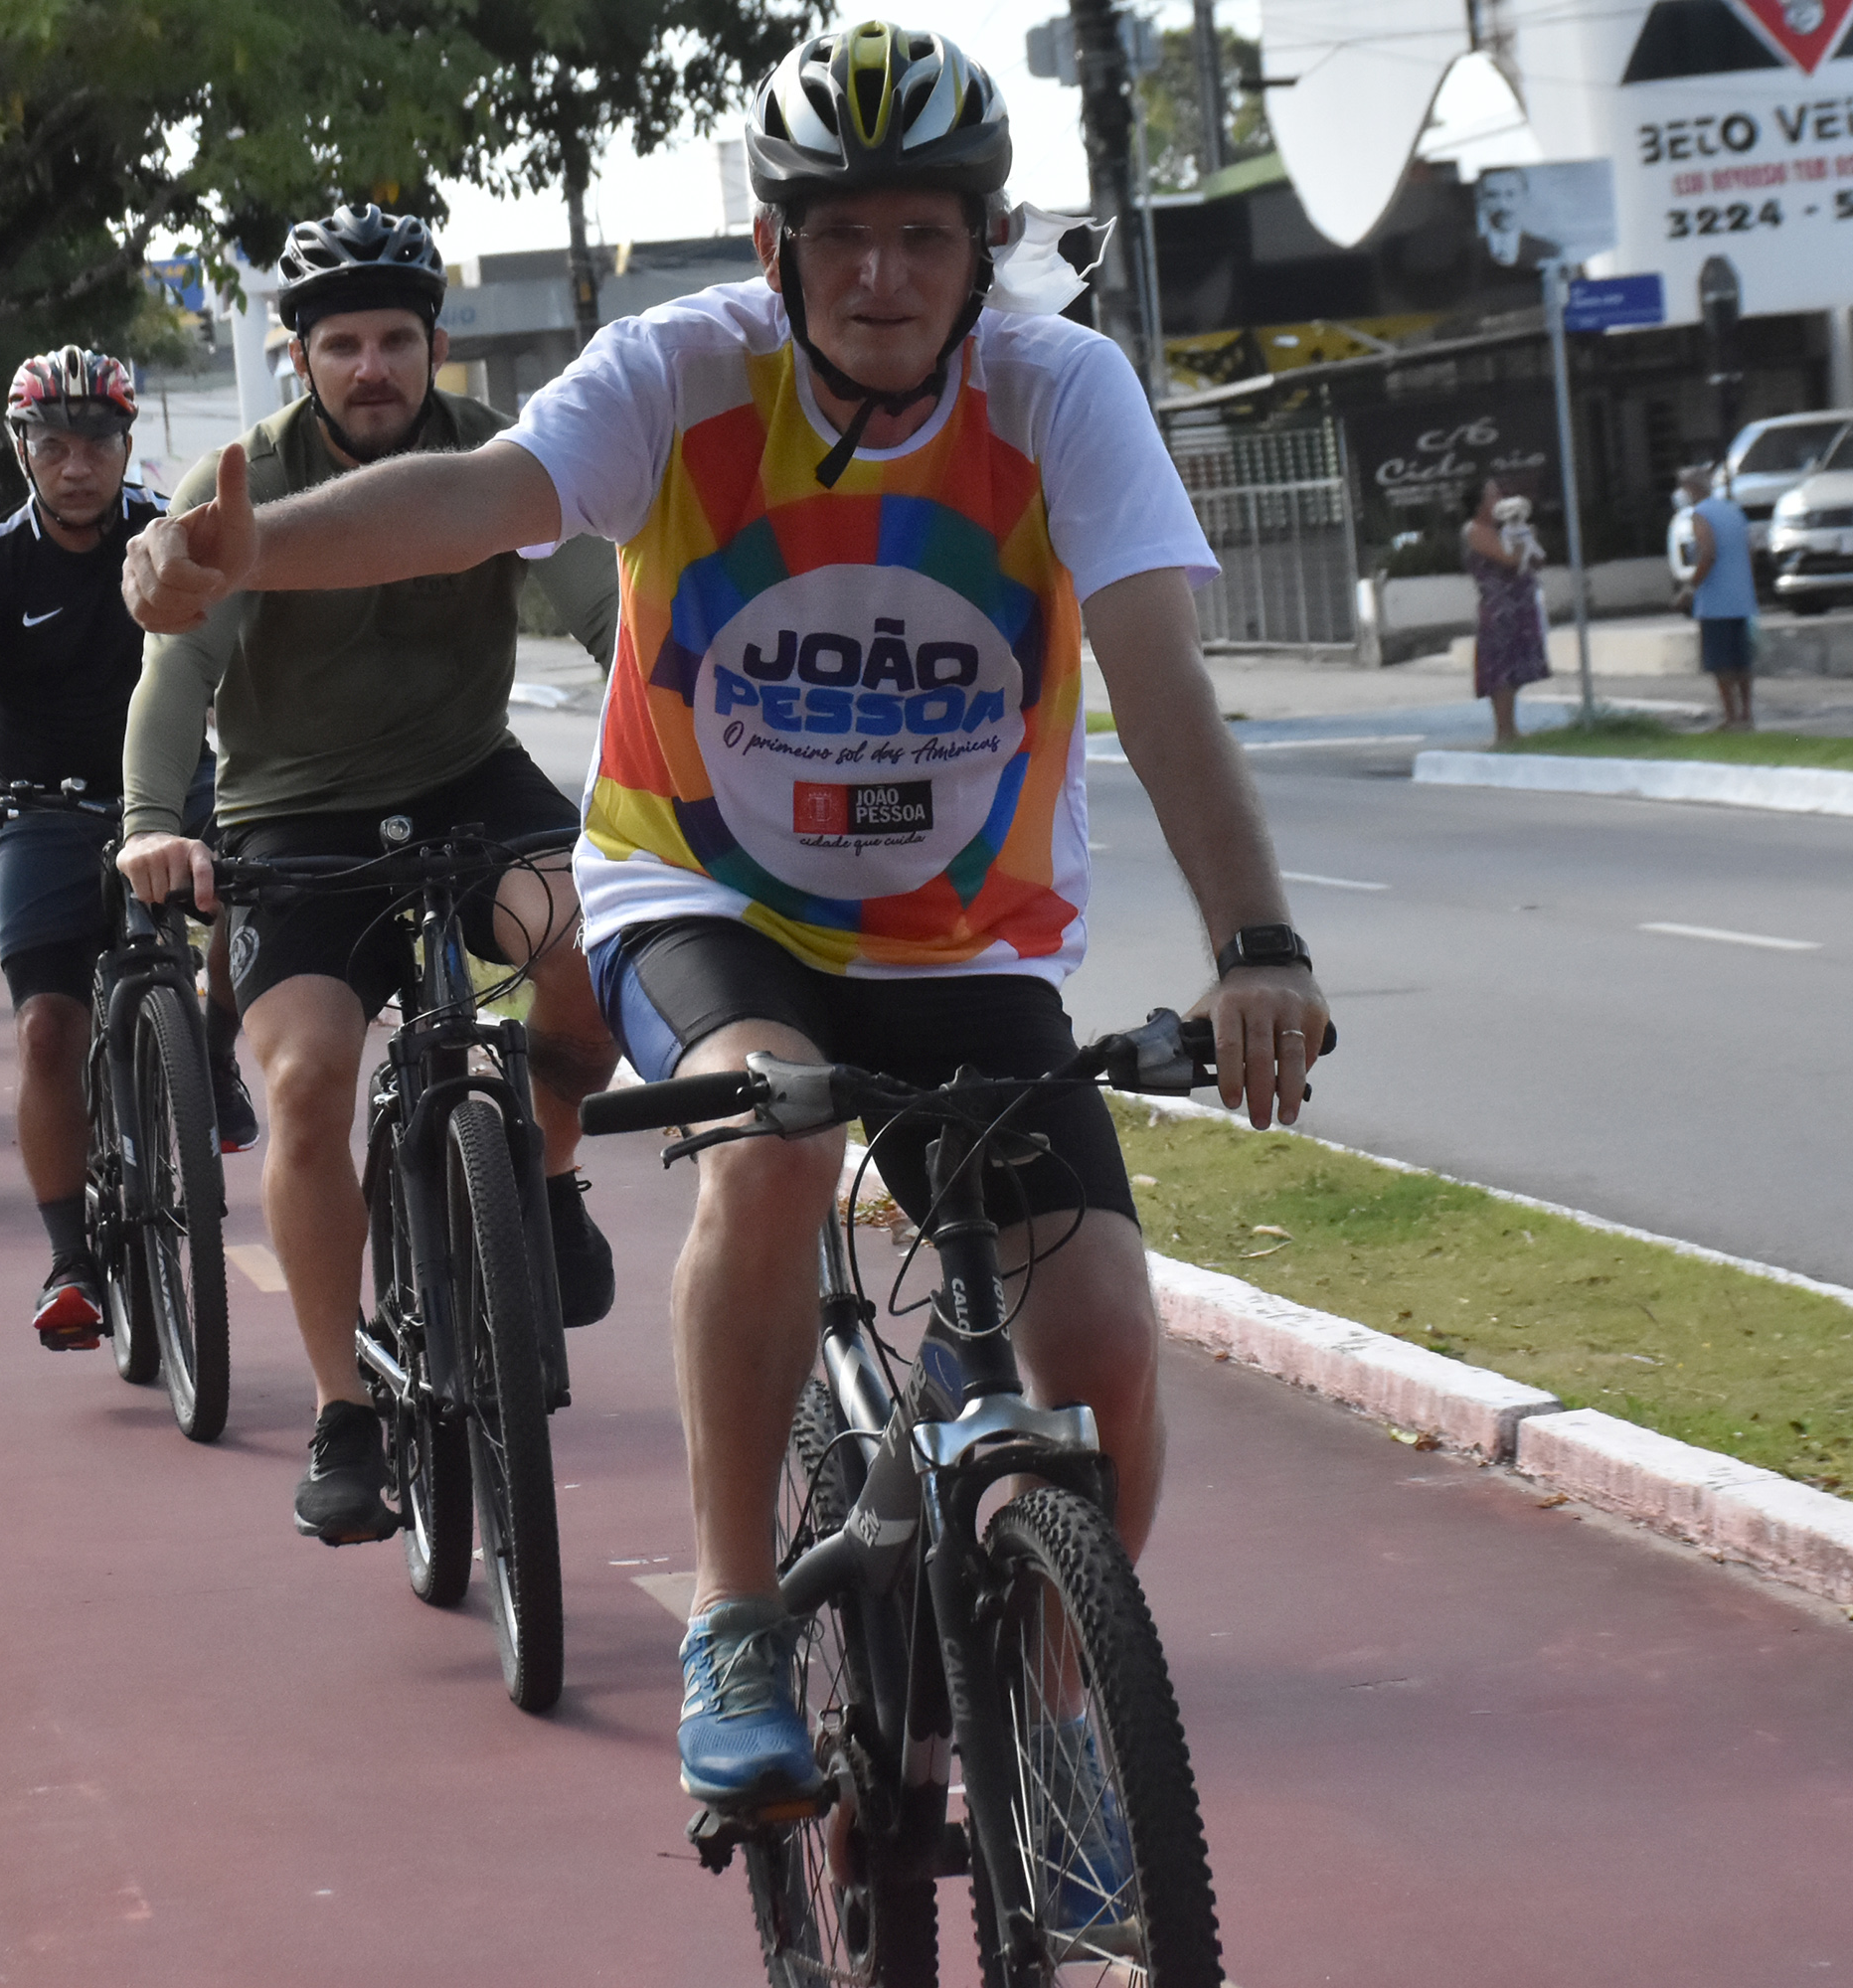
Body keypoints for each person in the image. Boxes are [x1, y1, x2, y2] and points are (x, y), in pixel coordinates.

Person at [120, 19, 1330, 1807]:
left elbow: (1156, 675)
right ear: (776, 249)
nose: (880, 273)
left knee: (1103, 1347)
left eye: (924, 234)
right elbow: (479, 500)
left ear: (983, 248)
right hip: (706, 890)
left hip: (963, 936)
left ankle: (1058, 1722)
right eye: (839, 233)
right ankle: (736, 1614)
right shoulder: (684, 373)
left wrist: (1257, 944)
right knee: (773, 1132)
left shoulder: (1059, 392)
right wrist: (257, 550)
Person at [116, 205, 623, 1545]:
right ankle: (345, 1409)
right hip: (298, 818)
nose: (372, 368)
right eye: (341, 344)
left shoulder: (503, 462)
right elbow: (179, 679)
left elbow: (614, 619)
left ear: (435, 346)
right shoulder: (238, 486)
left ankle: (551, 1178)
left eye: (396, 340)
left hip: (472, 781)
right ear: (300, 360)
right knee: (304, 1084)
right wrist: (149, 822)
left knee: (589, 962)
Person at [0, 346, 199, 1346]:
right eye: (55, 445)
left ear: (126, 443)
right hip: (44, 808)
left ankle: (215, 1066)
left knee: (261, 909)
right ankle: (70, 1256)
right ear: (23, 449)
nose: (79, 464)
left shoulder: (170, 534)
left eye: (98, 442)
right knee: (47, 1034)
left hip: (176, 795)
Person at [1464, 477, 1550, 743]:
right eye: (1492, 496)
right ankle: (1504, 731)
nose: (1499, 500)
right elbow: (1509, 559)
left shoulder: (1504, 529)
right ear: (1479, 502)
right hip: (1500, 609)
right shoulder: (1476, 530)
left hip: (1519, 606)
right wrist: (1524, 540)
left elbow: (1534, 561)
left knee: (1515, 669)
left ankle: (1511, 729)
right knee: (1500, 672)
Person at [1676, 462, 1757, 730]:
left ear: (1691, 488)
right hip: (1741, 597)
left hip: (1716, 600)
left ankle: (1730, 716)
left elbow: (1707, 553)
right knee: (1741, 659)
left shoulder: (1700, 514)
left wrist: (1690, 588)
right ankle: (1746, 713)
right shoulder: (1733, 510)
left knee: (1721, 662)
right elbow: (1750, 550)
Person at [1473, 166, 1562, 270]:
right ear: (1481, 200)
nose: (1502, 205)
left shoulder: (1549, 250)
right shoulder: (1467, 254)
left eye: (1510, 194)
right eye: (1492, 195)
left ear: (1524, 198)